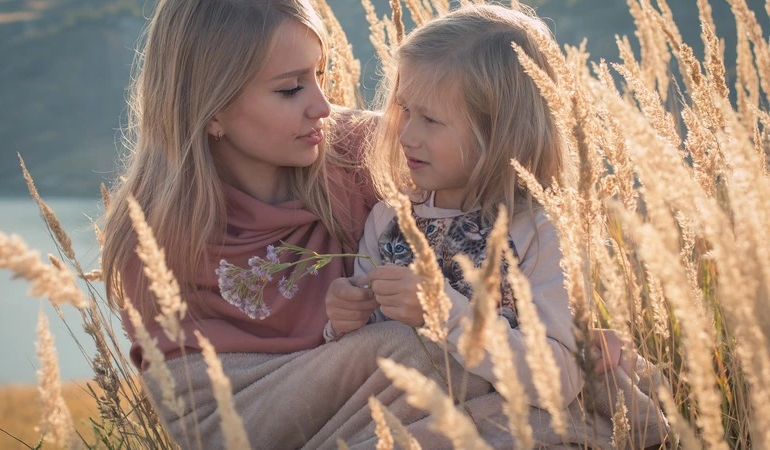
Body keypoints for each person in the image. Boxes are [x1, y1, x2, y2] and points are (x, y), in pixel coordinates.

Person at [102, 0, 660, 448]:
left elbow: (495, 202)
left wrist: (562, 330)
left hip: (409, 371)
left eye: (321, 76)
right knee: (402, 348)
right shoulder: (154, 231)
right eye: (291, 88)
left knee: (427, 351)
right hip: (253, 403)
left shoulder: (361, 152)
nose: (324, 105)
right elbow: (194, 407)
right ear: (211, 107)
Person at [324, 4, 669, 449]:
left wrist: (443, 310)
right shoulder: (391, 220)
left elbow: (558, 380)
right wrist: (342, 322)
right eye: (403, 110)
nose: (407, 134)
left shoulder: (539, 232)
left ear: (499, 132)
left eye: (430, 120)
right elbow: (366, 356)